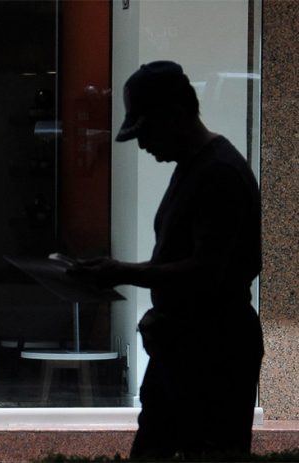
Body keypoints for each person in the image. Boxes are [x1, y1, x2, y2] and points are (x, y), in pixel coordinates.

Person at [70, 61, 264, 459]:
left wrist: (121, 272)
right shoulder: (200, 167)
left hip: (212, 356)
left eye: (146, 132)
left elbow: (206, 271)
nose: (142, 145)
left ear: (174, 116)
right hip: (190, 349)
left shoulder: (218, 174)